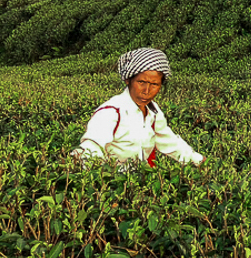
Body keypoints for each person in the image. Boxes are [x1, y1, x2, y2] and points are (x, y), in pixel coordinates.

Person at [73, 48, 203, 169]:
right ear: (128, 80)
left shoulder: (153, 111)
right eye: (141, 82)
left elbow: (168, 141)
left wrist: (198, 160)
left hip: (140, 180)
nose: (147, 91)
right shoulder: (111, 112)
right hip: (113, 183)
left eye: (154, 84)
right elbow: (90, 148)